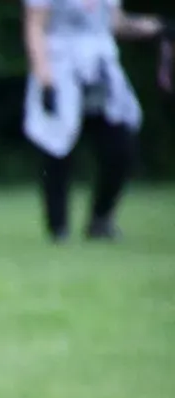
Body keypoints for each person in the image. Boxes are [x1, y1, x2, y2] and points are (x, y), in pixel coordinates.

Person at [21, 0, 172, 242]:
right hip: (59, 65)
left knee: (121, 144)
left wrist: (154, 26)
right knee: (57, 145)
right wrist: (45, 78)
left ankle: (101, 219)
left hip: (101, 67)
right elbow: (35, 27)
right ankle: (58, 226)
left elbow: (115, 23)